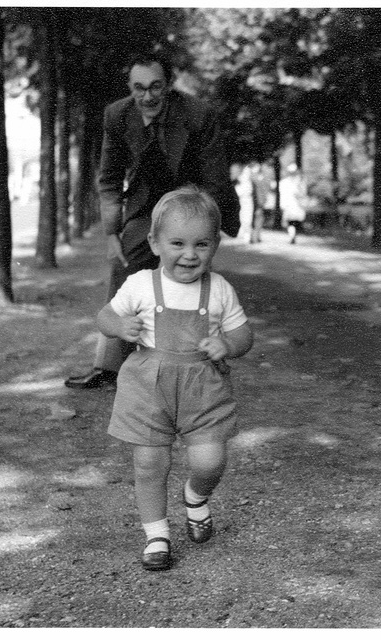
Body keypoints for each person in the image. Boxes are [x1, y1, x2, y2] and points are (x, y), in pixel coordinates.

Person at [97, 186, 253, 571]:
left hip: (203, 390)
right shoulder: (140, 285)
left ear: (215, 244)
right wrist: (120, 325)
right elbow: (103, 317)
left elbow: (244, 335)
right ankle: (157, 535)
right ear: (154, 242)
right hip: (148, 389)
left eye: (201, 244)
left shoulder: (218, 289)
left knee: (209, 460)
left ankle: (196, 496)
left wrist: (227, 344)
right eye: (178, 243)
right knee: (149, 464)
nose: (189, 254)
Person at [65, 51, 240, 390]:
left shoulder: (198, 115)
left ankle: (193, 361)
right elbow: (110, 178)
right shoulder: (116, 115)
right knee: (125, 264)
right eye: (139, 88)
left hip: (193, 198)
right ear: (130, 88)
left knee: (188, 271)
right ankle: (109, 368)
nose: (148, 97)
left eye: (156, 87)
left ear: (168, 86)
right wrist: (112, 233)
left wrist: (207, 225)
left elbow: (215, 177)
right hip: (146, 204)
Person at [279, 163, 308, 244]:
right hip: (291, 205)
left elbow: (303, 194)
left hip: (295, 205)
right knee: (292, 222)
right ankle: (292, 235)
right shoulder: (286, 182)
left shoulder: (299, 182)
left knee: (292, 222)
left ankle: (292, 235)